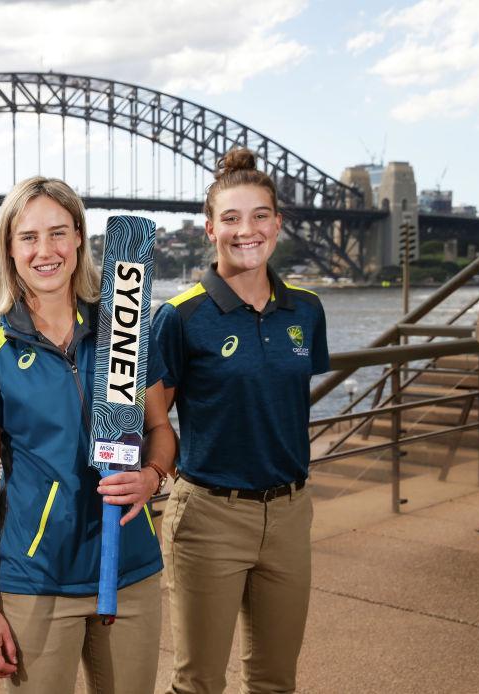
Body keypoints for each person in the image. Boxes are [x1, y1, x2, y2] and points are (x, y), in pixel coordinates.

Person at [0, 176, 175, 693]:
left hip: (130, 567)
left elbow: (162, 429)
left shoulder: (126, 328)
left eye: (58, 232)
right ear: (9, 248)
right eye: (28, 237)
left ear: (80, 238)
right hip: (37, 577)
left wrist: (152, 476)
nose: (45, 250)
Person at [152, 147, 330, 694]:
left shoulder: (306, 308)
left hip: (291, 511)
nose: (245, 230)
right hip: (210, 516)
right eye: (230, 218)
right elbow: (155, 421)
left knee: (276, 679)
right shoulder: (180, 316)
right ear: (210, 229)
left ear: (278, 223)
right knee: (199, 682)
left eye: (259, 216)